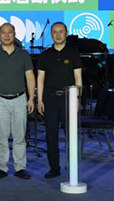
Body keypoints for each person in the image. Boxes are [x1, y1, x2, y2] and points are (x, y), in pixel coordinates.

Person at [0, 23, 35, 180]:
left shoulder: (23, 54)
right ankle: (2, 168)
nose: (6, 35)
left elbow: (30, 77)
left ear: (14, 34)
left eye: (9, 32)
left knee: (20, 136)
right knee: (1, 137)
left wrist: (31, 98)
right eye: (3, 32)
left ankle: (20, 168)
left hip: (20, 99)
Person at [36, 22, 83, 178]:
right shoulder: (45, 55)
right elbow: (40, 78)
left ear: (66, 33)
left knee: (71, 134)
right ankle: (54, 168)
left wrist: (77, 98)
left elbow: (78, 77)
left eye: (61, 32)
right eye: (55, 32)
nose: (58, 35)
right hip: (49, 98)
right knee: (51, 135)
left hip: (69, 98)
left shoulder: (73, 54)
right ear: (51, 35)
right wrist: (40, 100)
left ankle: (72, 165)